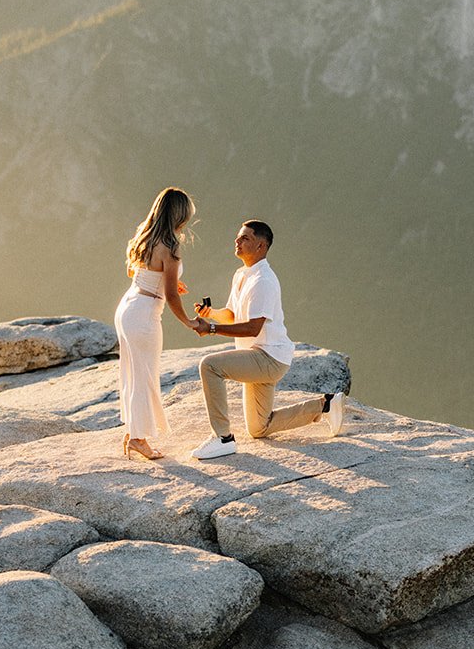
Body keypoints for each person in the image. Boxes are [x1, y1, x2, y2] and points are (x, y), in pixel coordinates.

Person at [189, 220, 343, 460]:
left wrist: (210, 329)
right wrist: (212, 314)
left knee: (210, 366)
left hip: (268, 357)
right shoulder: (242, 275)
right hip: (258, 356)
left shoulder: (264, 280)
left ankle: (223, 438)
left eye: (245, 238)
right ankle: (326, 405)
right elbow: (232, 315)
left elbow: (253, 328)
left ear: (261, 246)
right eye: (238, 237)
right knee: (259, 427)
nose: (237, 241)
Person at [115, 186, 199, 460]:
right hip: (145, 313)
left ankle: (132, 431)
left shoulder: (144, 236)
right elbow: (171, 296)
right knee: (145, 377)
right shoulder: (170, 248)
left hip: (128, 306)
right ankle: (138, 439)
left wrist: (164, 281)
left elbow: (135, 271)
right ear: (180, 215)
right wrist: (188, 321)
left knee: (132, 373)